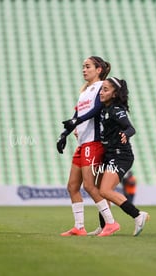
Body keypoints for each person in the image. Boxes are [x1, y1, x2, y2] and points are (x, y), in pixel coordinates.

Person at [56, 56, 120, 237]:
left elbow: (98, 109)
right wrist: (64, 135)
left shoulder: (101, 87)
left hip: (94, 143)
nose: (84, 70)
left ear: (98, 69)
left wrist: (76, 121)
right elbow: (75, 117)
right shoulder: (83, 92)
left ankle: (111, 223)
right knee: (72, 186)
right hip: (82, 143)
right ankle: (79, 227)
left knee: (91, 187)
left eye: (88, 66)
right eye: (83, 67)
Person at [98, 77, 149, 236]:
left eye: (105, 89)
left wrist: (126, 134)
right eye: (102, 89)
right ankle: (105, 225)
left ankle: (138, 215)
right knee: (102, 192)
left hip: (121, 155)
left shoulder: (116, 109)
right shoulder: (103, 109)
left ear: (114, 94)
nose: (101, 92)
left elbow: (130, 128)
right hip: (109, 155)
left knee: (105, 190)